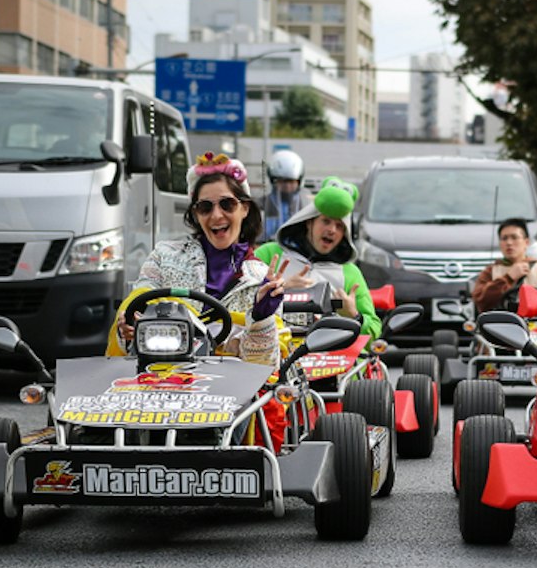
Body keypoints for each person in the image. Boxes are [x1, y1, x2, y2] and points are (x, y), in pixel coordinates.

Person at [111, 153, 289, 443]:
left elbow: (264, 369)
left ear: (244, 209)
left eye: (227, 204)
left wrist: (262, 318)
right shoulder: (164, 255)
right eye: (205, 207)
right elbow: (139, 298)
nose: (216, 215)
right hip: (155, 379)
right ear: (195, 215)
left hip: (227, 399)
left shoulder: (261, 278)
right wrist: (128, 322)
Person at [254, 177, 382, 339]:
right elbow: (237, 304)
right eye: (326, 221)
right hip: (274, 355)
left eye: (339, 226)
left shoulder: (350, 273)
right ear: (309, 222)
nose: (332, 230)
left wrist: (354, 316)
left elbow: (374, 333)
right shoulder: (270, 255)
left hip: (330, 360)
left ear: (345, 233)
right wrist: (281, 289)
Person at [471, 217, 537, 313]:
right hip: (499, 325)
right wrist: (508, 278)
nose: (509, 243)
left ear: (526, 242)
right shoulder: (490, 272)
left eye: (514, 237)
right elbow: (480, 301)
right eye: (504, 238)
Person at [261, 149, 309, 240]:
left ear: (299, 182)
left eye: (291, 182)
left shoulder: (306, 206)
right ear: (273, 181)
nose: (287, 186)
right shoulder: (261, 205)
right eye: (282, 181)